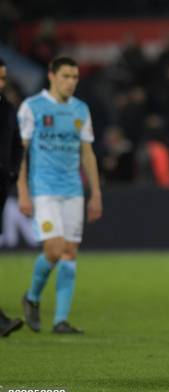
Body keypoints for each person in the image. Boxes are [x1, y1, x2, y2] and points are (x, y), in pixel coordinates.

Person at [17, 56, 103, 334]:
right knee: (54, 249)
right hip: (43, 189)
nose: (71, 82)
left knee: (69, 253)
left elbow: (87, 153)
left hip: (73, 190)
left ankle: (60, 321)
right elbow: (20, 152)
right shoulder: (32, 107)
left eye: (75, 77)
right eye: (66, 76)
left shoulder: (80, 109)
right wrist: (22, 191)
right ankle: (32, 296)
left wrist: (95, 193)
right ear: (52, 76)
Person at [0, 58, 24, 338]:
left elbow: (17, 144)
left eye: (4, 78)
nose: (2, 83)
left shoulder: (7, 109)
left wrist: (12, 172)